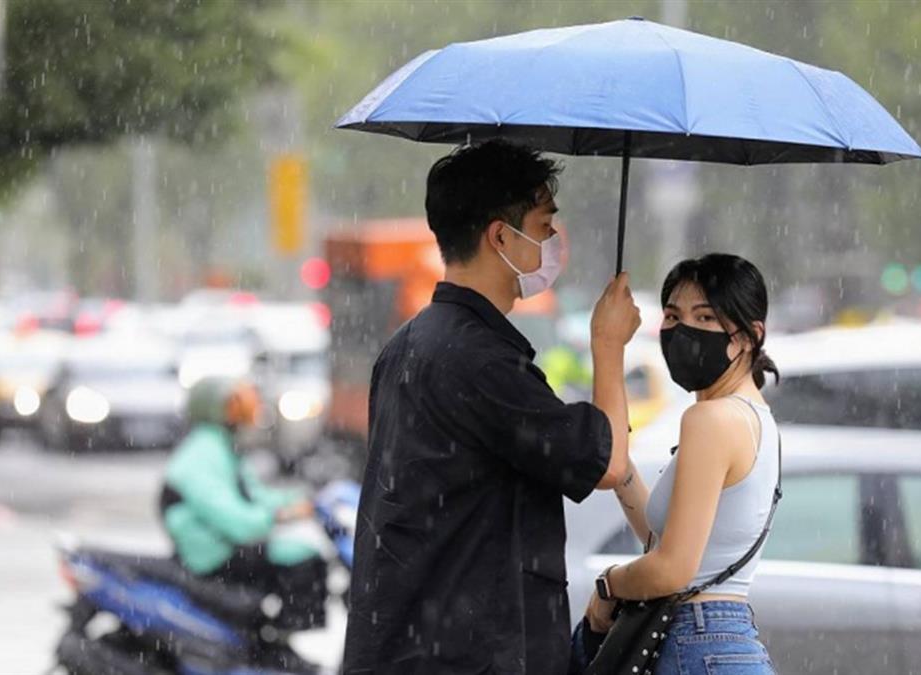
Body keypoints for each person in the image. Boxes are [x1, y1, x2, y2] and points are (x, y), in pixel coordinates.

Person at [342, 140, 642, 675]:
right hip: (466, 656)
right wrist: (609, 344)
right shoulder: (480, 362)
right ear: (501, 236)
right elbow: (608, 463)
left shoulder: (408, 345)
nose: (552, 239)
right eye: (544, 223)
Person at [579, 253, 781, 674]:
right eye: (672, 315)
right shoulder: (752, 415)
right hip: (720, 643)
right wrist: (621, 468)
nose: (682, 329)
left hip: (698, 641)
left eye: (705, 318)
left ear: (747, 336)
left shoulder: (710, 419)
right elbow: (664, 538)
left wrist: (607, 586)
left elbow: (672, 569)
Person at [160, 376, 316, 594]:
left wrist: (301, 498)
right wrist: (282, 514)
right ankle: (285, 624)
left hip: (224, 548)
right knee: (301, 559)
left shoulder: (221, 446)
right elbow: (235, 521)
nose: (249, 413)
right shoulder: (202, 455)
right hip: (212, 557)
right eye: (237, 405)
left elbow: (254, 494)